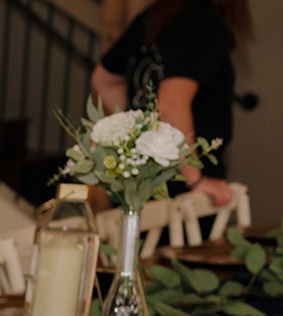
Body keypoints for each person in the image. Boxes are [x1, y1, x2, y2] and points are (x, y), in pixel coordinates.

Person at [91, 0, 252, 207]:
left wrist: (134, 130)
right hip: (180, 192)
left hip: (138, 181)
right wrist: (195, 179)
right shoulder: (204, 23)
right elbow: (170, 105)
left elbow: (104, 79)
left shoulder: (154, 16)